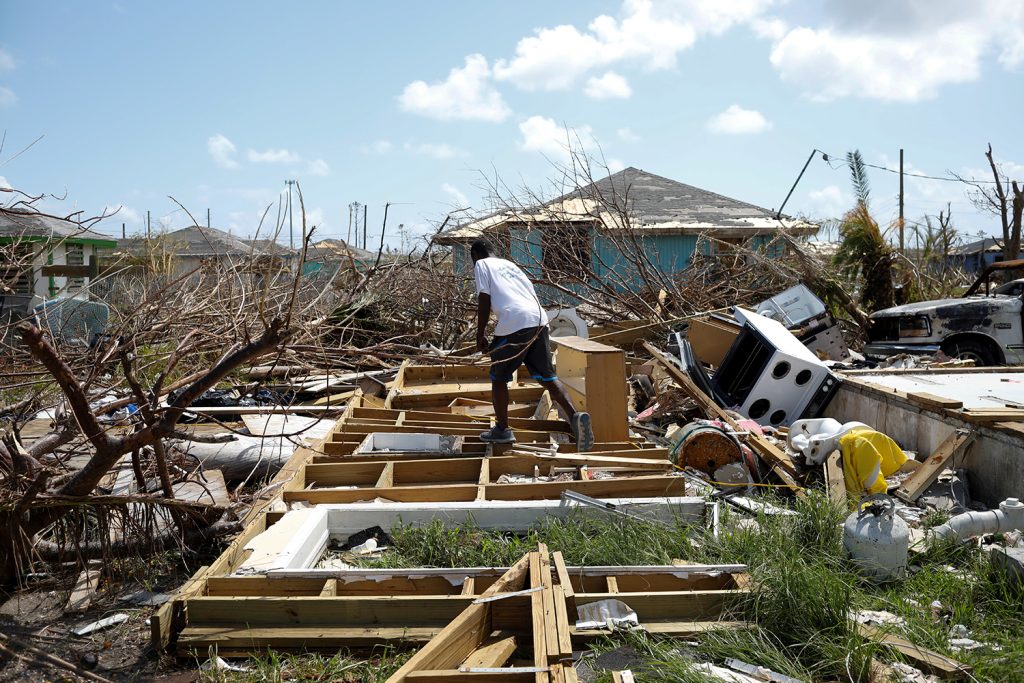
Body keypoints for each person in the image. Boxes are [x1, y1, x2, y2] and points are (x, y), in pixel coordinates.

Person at [471, 239, 594, 449]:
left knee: (498, 377)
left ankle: (502, 429)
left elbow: (484, 297)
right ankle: (575, 418)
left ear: (476, 256)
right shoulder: (512, 267)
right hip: (539, 320)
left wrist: (480, 333)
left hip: (515, 321)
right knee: (547, 376)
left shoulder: (482, 265)